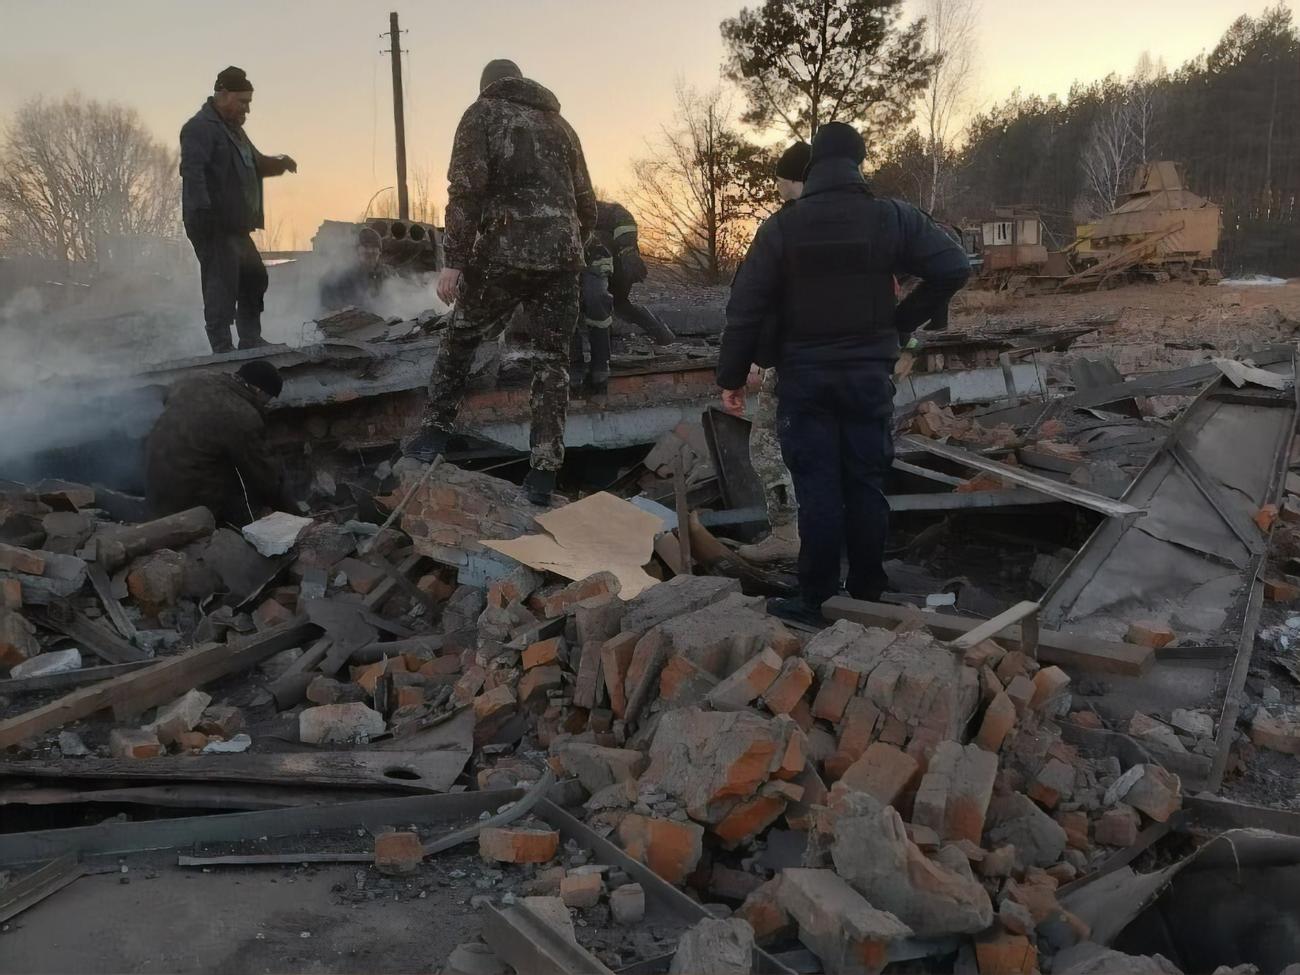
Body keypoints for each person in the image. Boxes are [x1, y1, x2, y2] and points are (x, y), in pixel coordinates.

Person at [718, 122, 970, 627]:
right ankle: (867, 592)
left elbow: (744, 307)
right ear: (859, 162)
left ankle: (815, 599)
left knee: (817, 487)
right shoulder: (890, 217)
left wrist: (730, 376)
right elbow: (954, 267)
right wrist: (899, 324)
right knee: (865, 482)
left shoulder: (782, 228)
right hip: (867, 375)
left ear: (812, 171)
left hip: (804, 377)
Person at [405, 59, 596, 505]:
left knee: (461, 338)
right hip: (563, 259)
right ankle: (544, 473)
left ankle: (435, 433)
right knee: (552, 362)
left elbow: (466, 190)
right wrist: (567, 245)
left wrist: (453, 261)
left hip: (502, 255)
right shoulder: (562, 126)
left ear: (485, 86)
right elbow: (586, 204)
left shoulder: (482, 114)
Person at [180, 66, 297, 354]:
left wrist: (280, 163)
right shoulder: (199, 128)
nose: (247, 109)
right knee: (221, 286)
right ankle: (222, 348)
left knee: (255, 277)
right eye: (242, 101)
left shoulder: (235, 132)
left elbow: (255, 163)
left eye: (249, 103)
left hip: (236, 225)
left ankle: (250, 339)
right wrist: (203, 212)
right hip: (213, 223)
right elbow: (192, 172)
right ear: (223, 94)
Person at [736, 141, 810, 565]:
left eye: (779, 177)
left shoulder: (781, 228)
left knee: (766, 445)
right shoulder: (862, 218)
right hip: (855, 361)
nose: (776, 185)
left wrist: (745, 361)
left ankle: (786, 534)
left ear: (790, 178)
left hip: (792, 360)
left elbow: (751, 300)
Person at [145, 361, 294, 527]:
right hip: (189, 502)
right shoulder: (242, 414)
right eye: (268, 399)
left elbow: (167, 398)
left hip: (154, 484)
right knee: (246, 488)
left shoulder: (196, 379)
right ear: (258, 390)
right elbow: (266, 475)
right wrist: (293, 513)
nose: (266, 404)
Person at [592, 201, 676, 345]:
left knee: (606, 304)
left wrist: (627, 251)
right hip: (609, 268)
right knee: (619, 305)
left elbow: (622, 217)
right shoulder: (595, 211)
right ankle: (662, 334)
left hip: (615, 268)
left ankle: (600, 351)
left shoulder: (595, 210)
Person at [569, 239, 615, 393]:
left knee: (597, 301)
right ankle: (573, 366)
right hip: (555, 258)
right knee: (565, 309)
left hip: (591, 254)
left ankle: (600, 366)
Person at [319, 227, 393, 313]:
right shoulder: (344, 274)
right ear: (357, 250)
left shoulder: (387, 273)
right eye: (365, 246)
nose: (369, 251)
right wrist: (340, 309)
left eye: (374, 247)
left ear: (379, 251)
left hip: (382, 320)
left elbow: (399, 297)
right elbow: (326, 292)